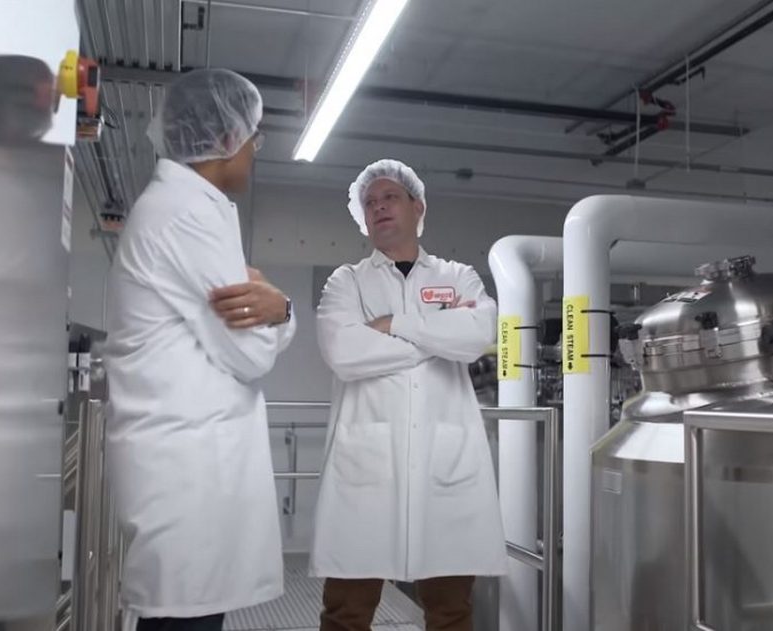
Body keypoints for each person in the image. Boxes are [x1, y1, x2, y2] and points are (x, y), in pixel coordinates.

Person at [103, 69, 296, 631]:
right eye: (254, 138)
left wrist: (272, 311)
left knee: (184, 615)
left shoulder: (183, 208)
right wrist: (283, 310)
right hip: (184, 467)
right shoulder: (187, 215)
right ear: (228, 138)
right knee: (182, 619)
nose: (254, 152)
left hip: (186, 463)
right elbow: (251, 355)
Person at [311, 159, 507, 631]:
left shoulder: (457, 275)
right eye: (370, 202)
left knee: (451, 612)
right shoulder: (347, 281)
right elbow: (343, 351)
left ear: (418, 207)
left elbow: (479, 333)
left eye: (390, 197)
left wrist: (393, 324)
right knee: (346, 613)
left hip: (445, 465)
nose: (379, 207)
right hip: (367, 468)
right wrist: (437, 338)